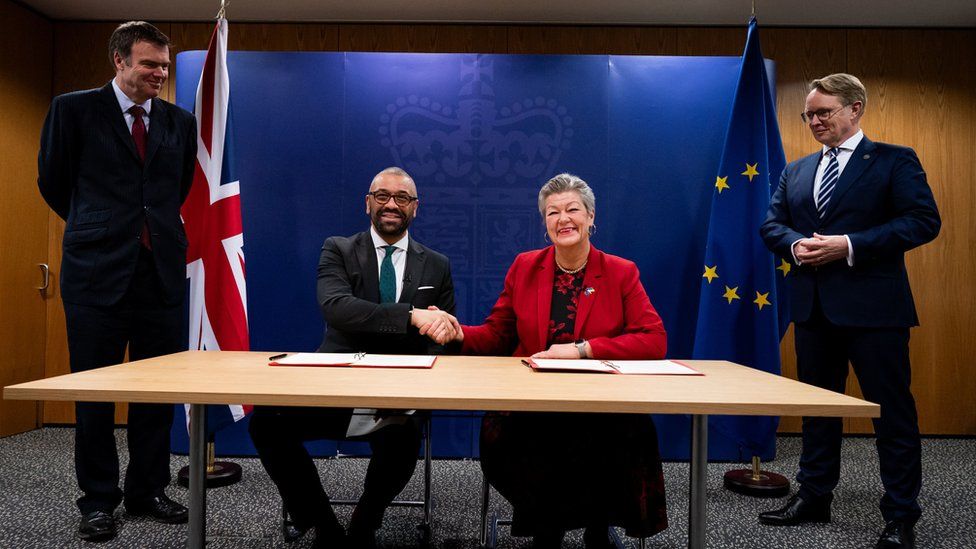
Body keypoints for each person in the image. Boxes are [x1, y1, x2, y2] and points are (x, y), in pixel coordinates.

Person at [759, 74, 940, 549]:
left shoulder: (894, 160)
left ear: (855, 109)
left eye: (824, 112)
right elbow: (771, 225)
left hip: (876, 311)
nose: (815, 121)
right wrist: (795, 245)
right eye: (809, 115)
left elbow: (923, 221)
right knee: (819, 411)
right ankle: (814, 497)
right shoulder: (795, 171)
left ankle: (901, 515)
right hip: (813, 310)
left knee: (891, 413)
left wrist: (850, 245)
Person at [441, 173, 669, 548]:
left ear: (591, 217)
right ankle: (548, 526)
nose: (563, 219)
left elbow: (653, 339)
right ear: (544, 223)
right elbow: (499, 334)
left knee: (618, 435)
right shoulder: (525, 266)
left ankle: (599, 524)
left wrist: (583, 350)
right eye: (552, 212)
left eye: (572, 209)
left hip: (602, 401)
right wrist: (459, 332)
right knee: (519, 436)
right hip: (535, 399)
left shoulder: (620, 271)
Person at [36, 21, 197, 542]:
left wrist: (148, 233)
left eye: (165, 67)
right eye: (149, 64)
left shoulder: (179, 121)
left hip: (161, 278)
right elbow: (53, 181)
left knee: (156, 395)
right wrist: (101, 227)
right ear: (119, 61)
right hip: (96, 276)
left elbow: (179, 187)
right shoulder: (73, 109)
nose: (159, 74)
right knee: (96, 395)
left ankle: (147, 490)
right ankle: (99, 499)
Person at [248, 167, 458, 549]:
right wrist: (412, 315)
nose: (391, 204)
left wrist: (424, 375)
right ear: (367, 203)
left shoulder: (437, 264)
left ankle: (365, 521)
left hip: (399, 394)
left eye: (402, 198)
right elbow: (338, 309)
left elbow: (438, 343)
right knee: (265, 422)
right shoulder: (338, 249)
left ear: (416, 208)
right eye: (382, 196)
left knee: (405, 437)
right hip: (335, 386)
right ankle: (322, 523)